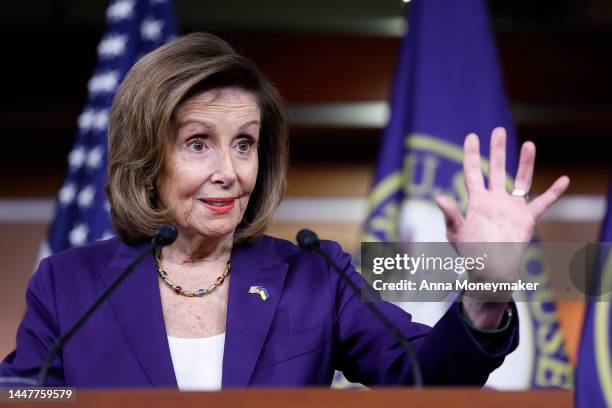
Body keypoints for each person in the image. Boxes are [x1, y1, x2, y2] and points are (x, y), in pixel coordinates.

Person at [0, 32, 569, 389]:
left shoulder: (313, 276)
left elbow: (424, 373)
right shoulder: (69, 285)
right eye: (199, 142)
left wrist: (486, 295)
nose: (230, 169)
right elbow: (23, 394)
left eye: (244, 143)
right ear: (148, 155)